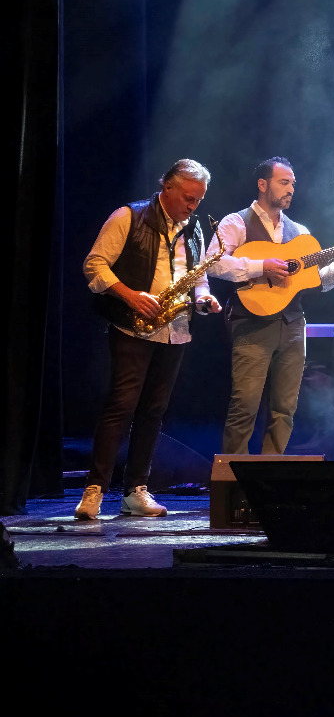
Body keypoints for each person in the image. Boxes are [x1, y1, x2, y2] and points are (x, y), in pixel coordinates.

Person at [77, 159, 221, 520]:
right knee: (120, 407)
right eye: (188, 198)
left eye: (198, 200)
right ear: (167, 188)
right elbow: (94, 265)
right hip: (133, 325)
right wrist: (131, 296)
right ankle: (94, 489)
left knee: (153, 412)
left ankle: (136, 491)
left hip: (176, 329)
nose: (193, 206)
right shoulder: (129, 216)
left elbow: (197, 277)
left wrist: (204, 298)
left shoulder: (194, 228)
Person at [209, 158, 334, 456]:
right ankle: (232, 475)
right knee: (245, 404)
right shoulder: (236, 222)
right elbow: (214, 264)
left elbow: (318, 281)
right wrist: (261, 266)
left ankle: (271, 472)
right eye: (284, 182)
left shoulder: (300, 232)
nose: (291, 189)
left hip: (293, 324)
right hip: (252, 321)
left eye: (293, 183)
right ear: (262, 184)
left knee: (285, 408)